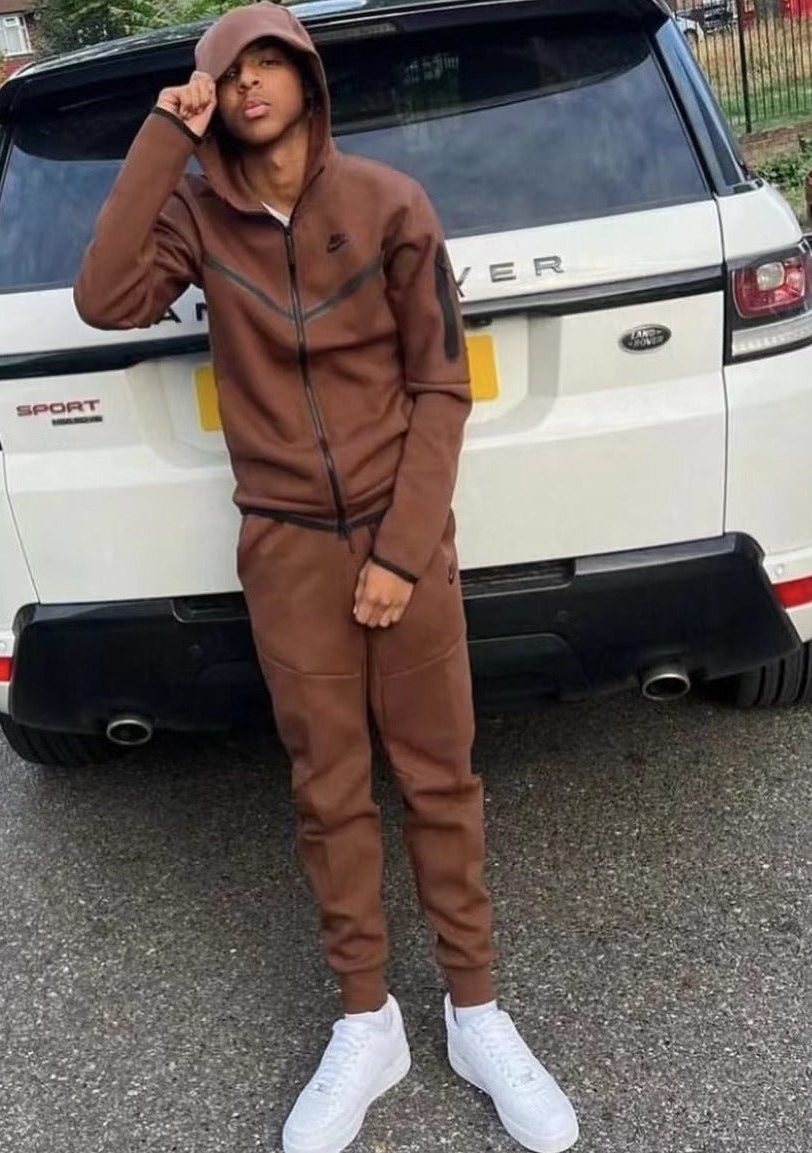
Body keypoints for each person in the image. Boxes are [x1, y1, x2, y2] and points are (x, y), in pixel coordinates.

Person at [73, 5, 578, 1152]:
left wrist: (400, 552)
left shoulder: (389, 204)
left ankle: (476, 1012)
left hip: (404, 538)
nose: (250, 83)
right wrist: (164, 131)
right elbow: (103, 297)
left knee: (440, 777)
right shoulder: (196, 217)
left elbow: (440, 386)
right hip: (286, 548)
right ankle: (367, 1022)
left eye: (270, 63)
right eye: (228, 71)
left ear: (306, 79)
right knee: (328, 788)